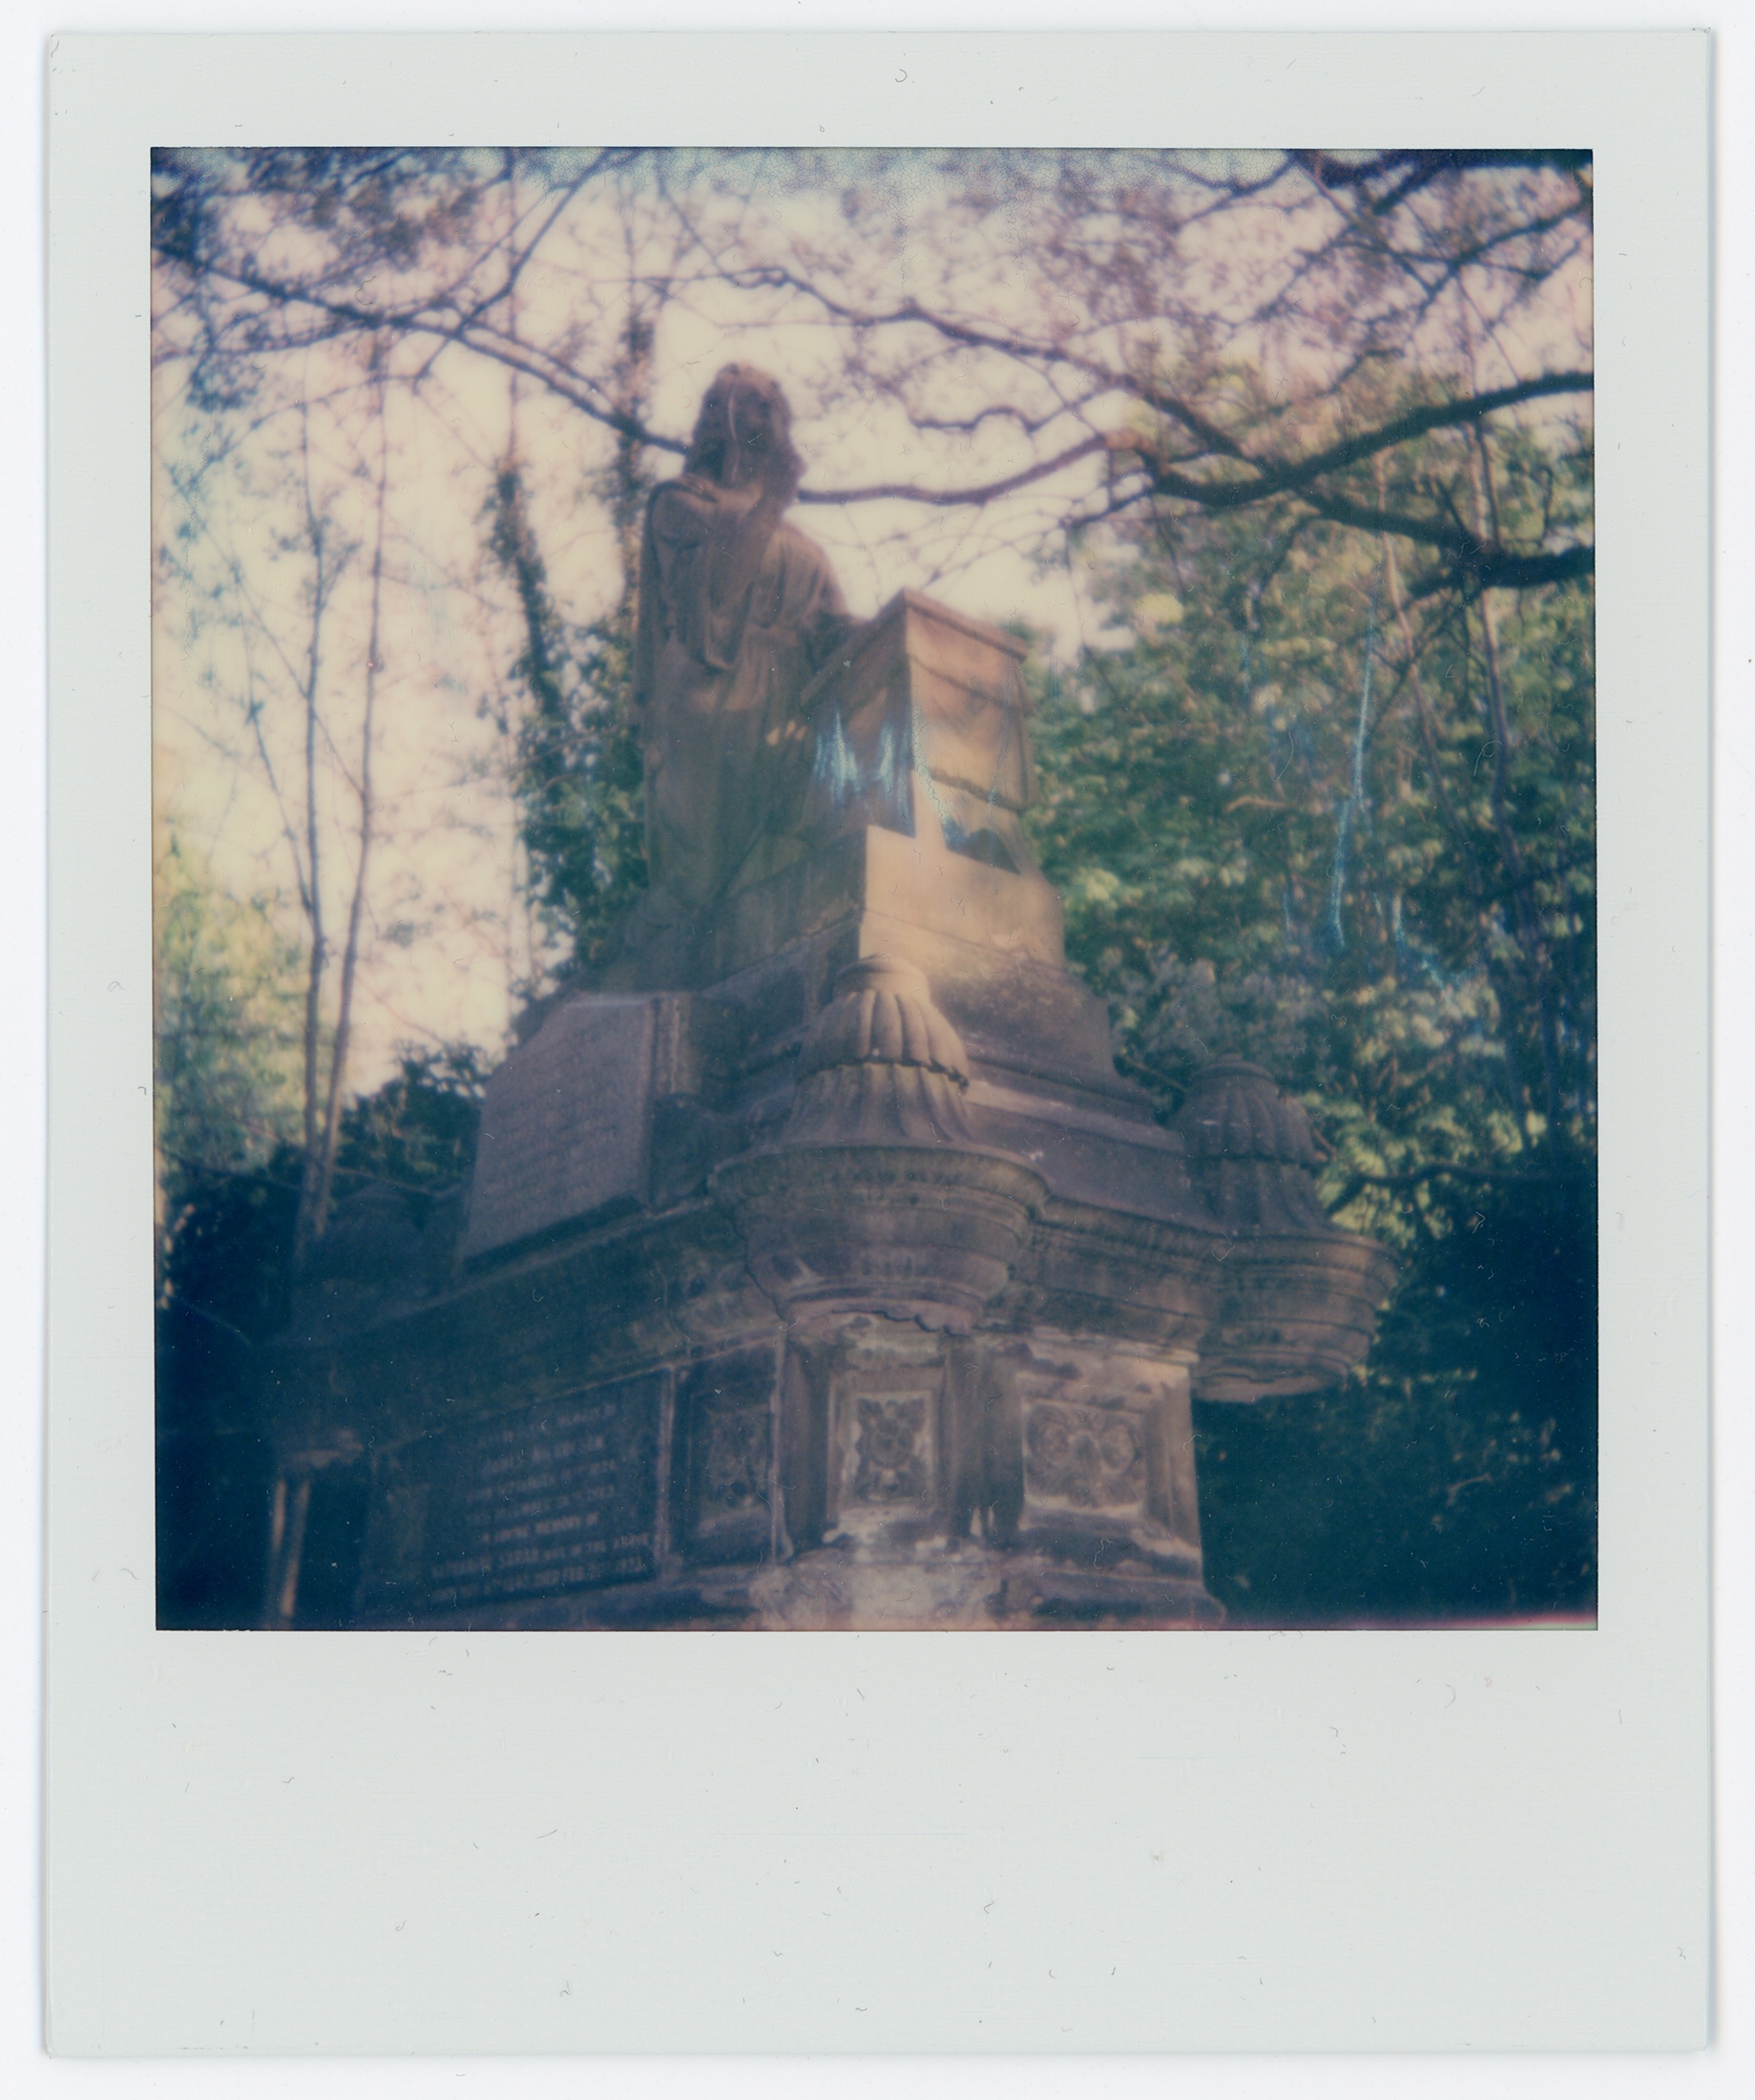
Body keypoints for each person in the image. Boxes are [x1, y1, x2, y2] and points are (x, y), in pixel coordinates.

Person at [631, 365, 860, 916]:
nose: (760, 415)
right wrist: (770, 505)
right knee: (716, 888)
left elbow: (836, 630)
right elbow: (713, 599)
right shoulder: (680, 504)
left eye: (768, 405)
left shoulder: (804, 545)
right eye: (745, 403)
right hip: (713, 692)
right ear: (716, 418)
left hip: (794, 700)